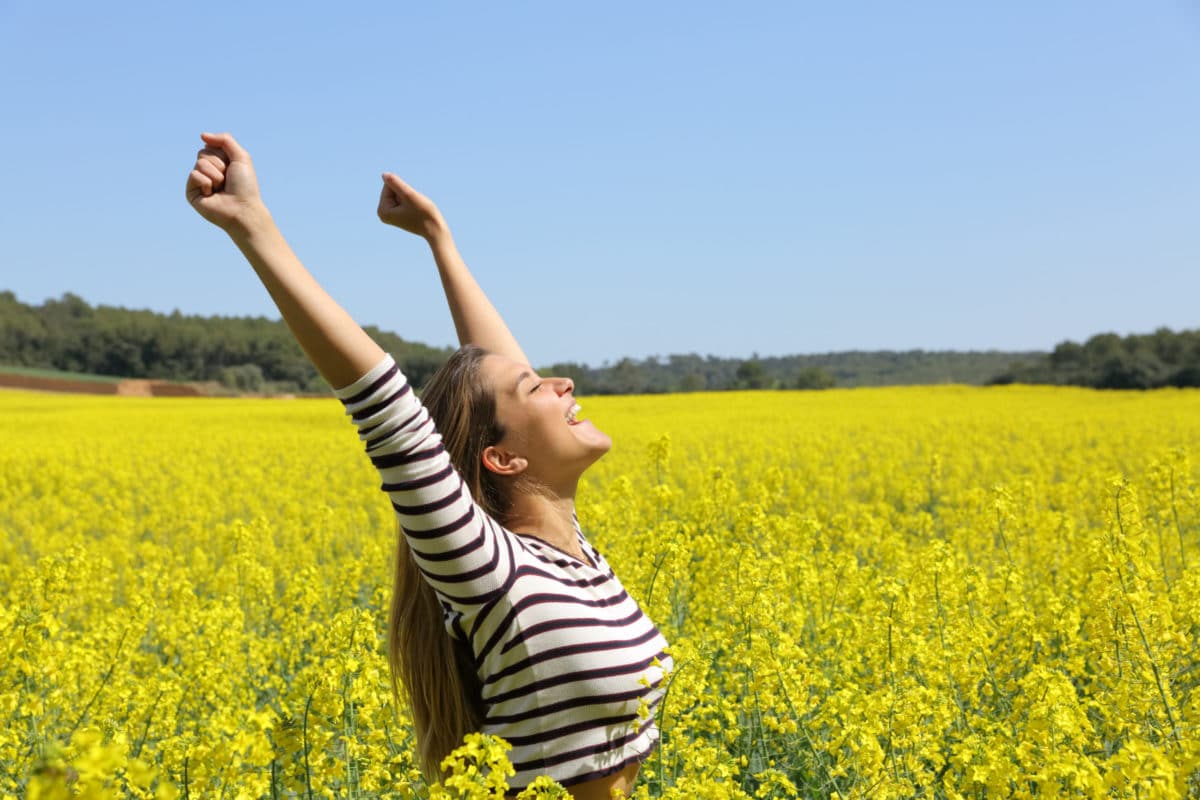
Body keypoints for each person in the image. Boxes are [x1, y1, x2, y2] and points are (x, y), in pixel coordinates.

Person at [185, 132, 672, 799]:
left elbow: (497, 378)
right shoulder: (489, 569)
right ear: (503, 459)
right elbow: (389, 410)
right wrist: (252, 225)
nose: (562, 382)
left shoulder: (572, 554)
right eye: (537, 390)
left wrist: (439, 240)